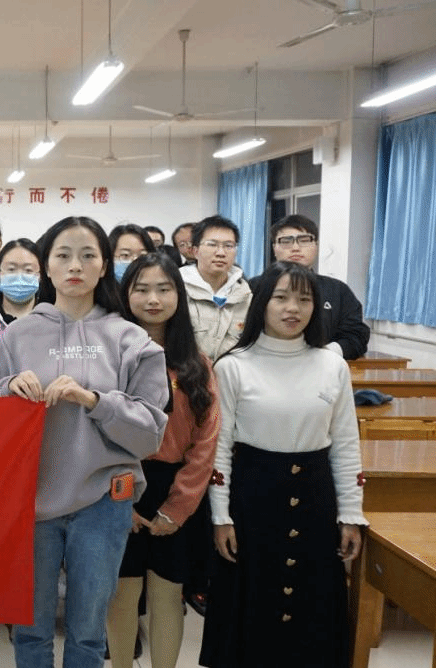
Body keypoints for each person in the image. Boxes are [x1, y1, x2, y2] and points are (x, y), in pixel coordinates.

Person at [0, 216, 169, 668]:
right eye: (63, 255)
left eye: (88, 256)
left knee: (88, 633)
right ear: (46, 266)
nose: (75, 266)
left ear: (104, 266)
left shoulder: (131, 339)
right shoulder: (16, 337)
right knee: (30, 631)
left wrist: (94, 401)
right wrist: (8, 389)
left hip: (104, 502)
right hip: (30, 502)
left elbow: (150, 432)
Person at [199, 262, 367, 668]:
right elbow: (219, 449)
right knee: (252, 605)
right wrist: (220, 517)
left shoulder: (332, 365)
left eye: (304, 299)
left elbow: (346, 444)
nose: (293, 308)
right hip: (252, 499)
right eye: (281, 298)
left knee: (311, 608)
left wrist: (351, 514)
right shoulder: (233, 365)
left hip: (316, 499)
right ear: (262, 303)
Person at [106, 253, 220, 668]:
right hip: (120, 485)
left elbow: (206, 442)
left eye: (164, 289)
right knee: (121, 593)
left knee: (168, 594)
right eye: (142, 289)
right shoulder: (111, 357)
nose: (153, 299)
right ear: (126, 295)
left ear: (179, 295)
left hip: (177, 489)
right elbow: (99, 433)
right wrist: (122, 499)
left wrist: (177, 508)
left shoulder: (197, 364)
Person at [249, 215, 370, 360]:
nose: (295, 248)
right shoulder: (253, 287)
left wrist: (324, 354)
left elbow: (357, 335)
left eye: (304, 240)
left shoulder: (338, 290)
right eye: (286, 241)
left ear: (316, 246)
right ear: (274, 248)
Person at [180, 216, 252, 361]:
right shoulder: (177, 288)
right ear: (195, 251)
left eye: (229, 246)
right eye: (212, 245)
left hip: (231, 373)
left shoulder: (245, 295)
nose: (221, 253)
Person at [0, 239, 41, 326]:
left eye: (28, 270)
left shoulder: (53, 320)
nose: (19, 277)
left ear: (40, 275)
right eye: (11, 269)